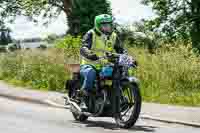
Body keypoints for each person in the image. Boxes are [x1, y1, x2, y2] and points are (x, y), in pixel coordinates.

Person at [79, 14, 127, 111]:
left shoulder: (113, 36)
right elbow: (83, 47)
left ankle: (118, 96)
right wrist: (89, 54)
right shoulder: (91, 34)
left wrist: (127, 58)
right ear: (98, 25)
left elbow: (121, 50)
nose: (107, 27)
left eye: (108, 25)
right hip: (90, 63)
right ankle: (83, 99)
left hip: (106, 64)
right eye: (104, 25)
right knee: (90, 73)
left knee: (122, 72)